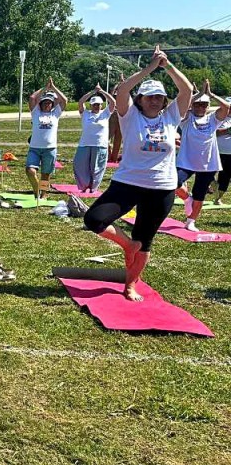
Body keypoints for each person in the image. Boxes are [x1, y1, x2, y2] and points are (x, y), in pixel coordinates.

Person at [83, 46, 193, 301]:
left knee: (145, 239)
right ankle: (128, 244)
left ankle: (130, 285)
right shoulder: (130, 116)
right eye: (149, 96)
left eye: (159, 97)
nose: (154, 100)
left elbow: (186, 90)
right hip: (128, 183)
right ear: (141, 99)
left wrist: (168, 66)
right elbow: (122, 91)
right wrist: (150, 69)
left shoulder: (171, 116)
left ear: (164, 101)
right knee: (94, 219)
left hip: (162, 187)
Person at [175, 81, 229, 232]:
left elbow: (226, 108)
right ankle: (187, 198)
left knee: (200, 194)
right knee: (174, 182)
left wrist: (211, 94)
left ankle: (191, 221)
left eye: (204, 105)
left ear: (207, 106)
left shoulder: (213, 119)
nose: (200, 107)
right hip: (186, 161)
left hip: (208, 163)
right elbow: (183, 104)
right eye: (198, 104)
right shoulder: (186, 119)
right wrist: (198, 95)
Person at [25, 79, 68, 200]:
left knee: (45, 174)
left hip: (50, 149)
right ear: (41, 104)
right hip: (35, 148)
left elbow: (64, 100)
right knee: (30, 170)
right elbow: (32, 98)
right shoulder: (36, 113)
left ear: (52, 104)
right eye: (44, 102)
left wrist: (53, 87)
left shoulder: (55, 114)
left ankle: (43, 194)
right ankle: (36, 189)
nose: (47, 104)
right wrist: (45, 87)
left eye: (49, 103)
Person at [73, 84, 116, 193]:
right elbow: (81, 102)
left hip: (100, 145)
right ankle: (84, 185)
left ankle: (93, 187)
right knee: (80, 165)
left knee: (97, 168)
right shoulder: (85, 114)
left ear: (101, 105)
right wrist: (93, 92)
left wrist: (102, 91)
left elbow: (113, 102)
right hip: (84, 144)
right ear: (91, 105)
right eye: (94, 104)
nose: (96, 106)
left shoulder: (105, 113)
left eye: (98, 104)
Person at [216, 112, 231, 204]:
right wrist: (228, 130)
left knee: (226, 176)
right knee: (207, 173)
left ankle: (218, 199)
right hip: (216, 152)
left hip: (230, 154)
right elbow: (212, 133)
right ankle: (210, 187)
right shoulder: (218, 118)